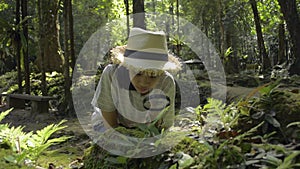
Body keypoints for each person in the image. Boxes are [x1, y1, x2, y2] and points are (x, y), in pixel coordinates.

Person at [91, 27, 181, 132]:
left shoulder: (166, 82)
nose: (144, 82)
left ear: (161, 73)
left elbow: (164, 125)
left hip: (144, 128)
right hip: (106, 123)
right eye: (138, 74)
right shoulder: (112, 74)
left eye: (153, 76)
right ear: (128, 66)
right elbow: (108, 114)